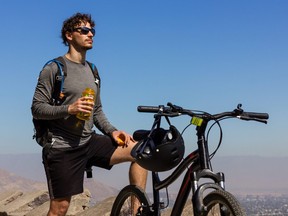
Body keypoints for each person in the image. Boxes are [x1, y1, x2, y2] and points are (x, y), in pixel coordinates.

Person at [31, 12, 147, 216]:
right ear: (69, 35)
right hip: (62, 148)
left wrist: (112, 131)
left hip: (88, 141)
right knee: (60, 209)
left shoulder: (93, 71)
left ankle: (136, 211)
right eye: (84, 30)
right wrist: (70, 108)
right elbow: (37, 108)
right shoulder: (54, 69)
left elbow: (97, 110)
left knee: (141, 152)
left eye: (92, 30)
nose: (90, 34)